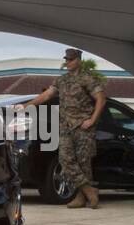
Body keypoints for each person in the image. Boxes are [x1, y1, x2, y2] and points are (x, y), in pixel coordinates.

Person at [24, 48, 106, 208]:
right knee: (65, 159)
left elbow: (101, 99)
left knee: (84, 163)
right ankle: (90, 191)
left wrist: (92, 120)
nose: (68, 62)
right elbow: (46, 95)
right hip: (65, 127)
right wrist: (25, 106)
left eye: (71, 59)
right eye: (66, 60)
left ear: (78, 60)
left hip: (83, 127)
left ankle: (81, 197)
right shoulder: (61, 80)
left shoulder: (87, 79)